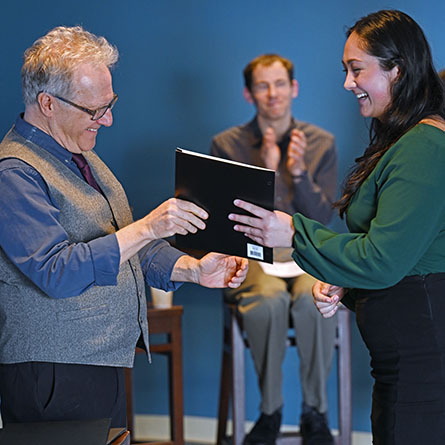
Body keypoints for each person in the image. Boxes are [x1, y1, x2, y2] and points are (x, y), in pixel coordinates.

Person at [0, 26, 248, 429]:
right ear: (47, 103)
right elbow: (56, 272)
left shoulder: (78, 152)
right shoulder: (14, 173)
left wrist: (193, 270)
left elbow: (121, 237)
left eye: (109, 104)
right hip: (54, 373)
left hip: (97, 362)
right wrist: (149, 227)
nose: (108, 119)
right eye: (95, 110)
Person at [227, 10, 445, 444]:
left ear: (397, 69)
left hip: (421, 361)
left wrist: (295, 234)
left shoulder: (424, 145)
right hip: (404, 358)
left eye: (356, 69)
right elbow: (401, 250)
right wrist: (350, 285)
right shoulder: (408, 140)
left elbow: (383, 258)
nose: (348, 83)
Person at [211, 54, 338, 445]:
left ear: (293, 89)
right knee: (267, 302)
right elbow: (227, 221)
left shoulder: (320, 143)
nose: (273, 94)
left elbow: (322, 220)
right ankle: (270, 411)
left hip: (305, 255)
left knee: (313, 301)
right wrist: (266, 171)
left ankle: (315, 413)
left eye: (280, 84)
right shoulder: (227, 145)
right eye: (263, 86)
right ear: (249, 94)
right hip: (253, 258)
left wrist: (297, 173)